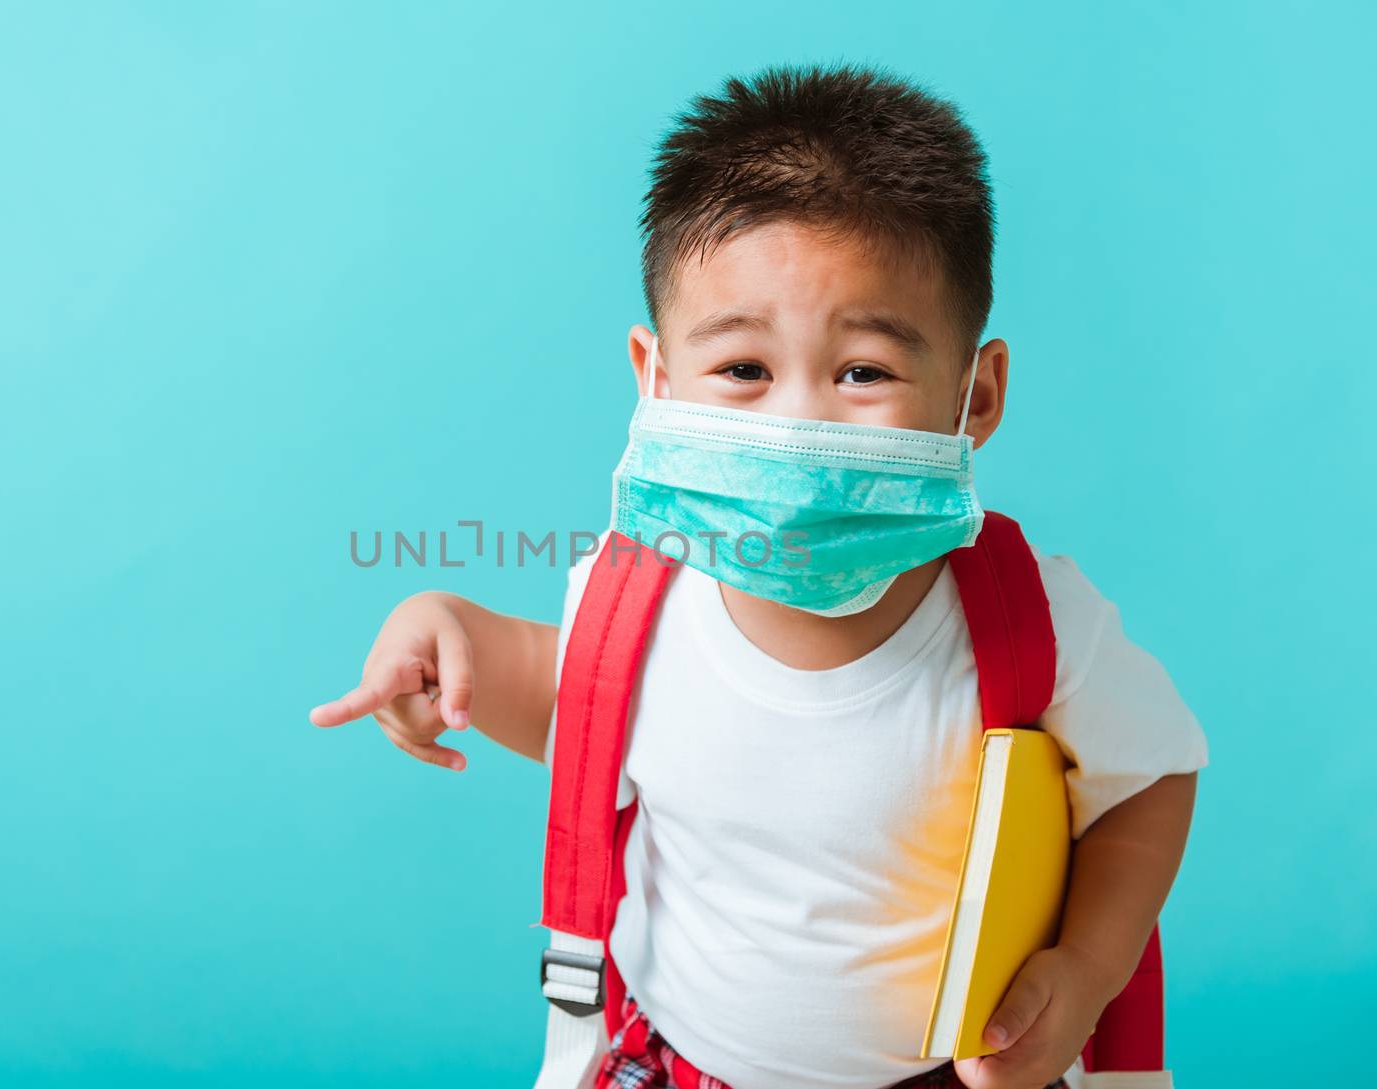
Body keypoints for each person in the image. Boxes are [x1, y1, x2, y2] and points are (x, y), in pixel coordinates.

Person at [310, 61, 1208, 1089]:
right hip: (681, 1062)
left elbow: (1150, 777)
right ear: (655, 381)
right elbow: (580, 703)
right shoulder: (632, 598)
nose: (796, 428)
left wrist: (1087, 969)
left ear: (977, 395)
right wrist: (450, 631)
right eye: (742, 370)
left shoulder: (1035, 619)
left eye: (863, 371)